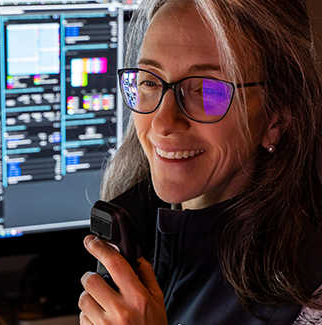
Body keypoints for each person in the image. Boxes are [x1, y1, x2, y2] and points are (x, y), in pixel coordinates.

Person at [78, 0, 322, 324]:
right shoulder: (134, 229)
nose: (163, 123)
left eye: (207, 90)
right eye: (150, 82)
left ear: (276, 117)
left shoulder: (311, 297)